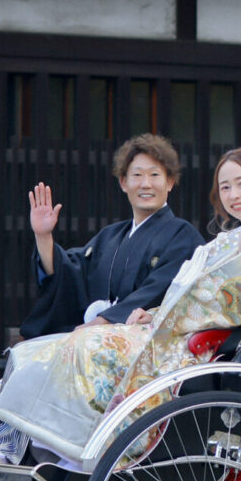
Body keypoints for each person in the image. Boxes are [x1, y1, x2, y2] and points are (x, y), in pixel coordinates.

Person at [0, 148, 241, 465]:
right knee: (38, 349)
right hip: (158, 327)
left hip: (187, 345)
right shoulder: (121, 235)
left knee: (80, 344)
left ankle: (63, 447)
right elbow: (86, 277)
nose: (234, 195)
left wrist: (115, 319)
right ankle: (11, 442)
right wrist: (44, 238)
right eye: (225, 187)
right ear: (122, 182)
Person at [20, 133, 202, 338]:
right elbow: (69, 275)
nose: (146, 184)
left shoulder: (182, 236)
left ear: (170, 182)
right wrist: (43, 236)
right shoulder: (110, 237)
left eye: (154, 175)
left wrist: (105, 321)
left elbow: (160, 289)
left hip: (147, 345)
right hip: (96, 339)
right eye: (137, 175)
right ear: (123, 183)